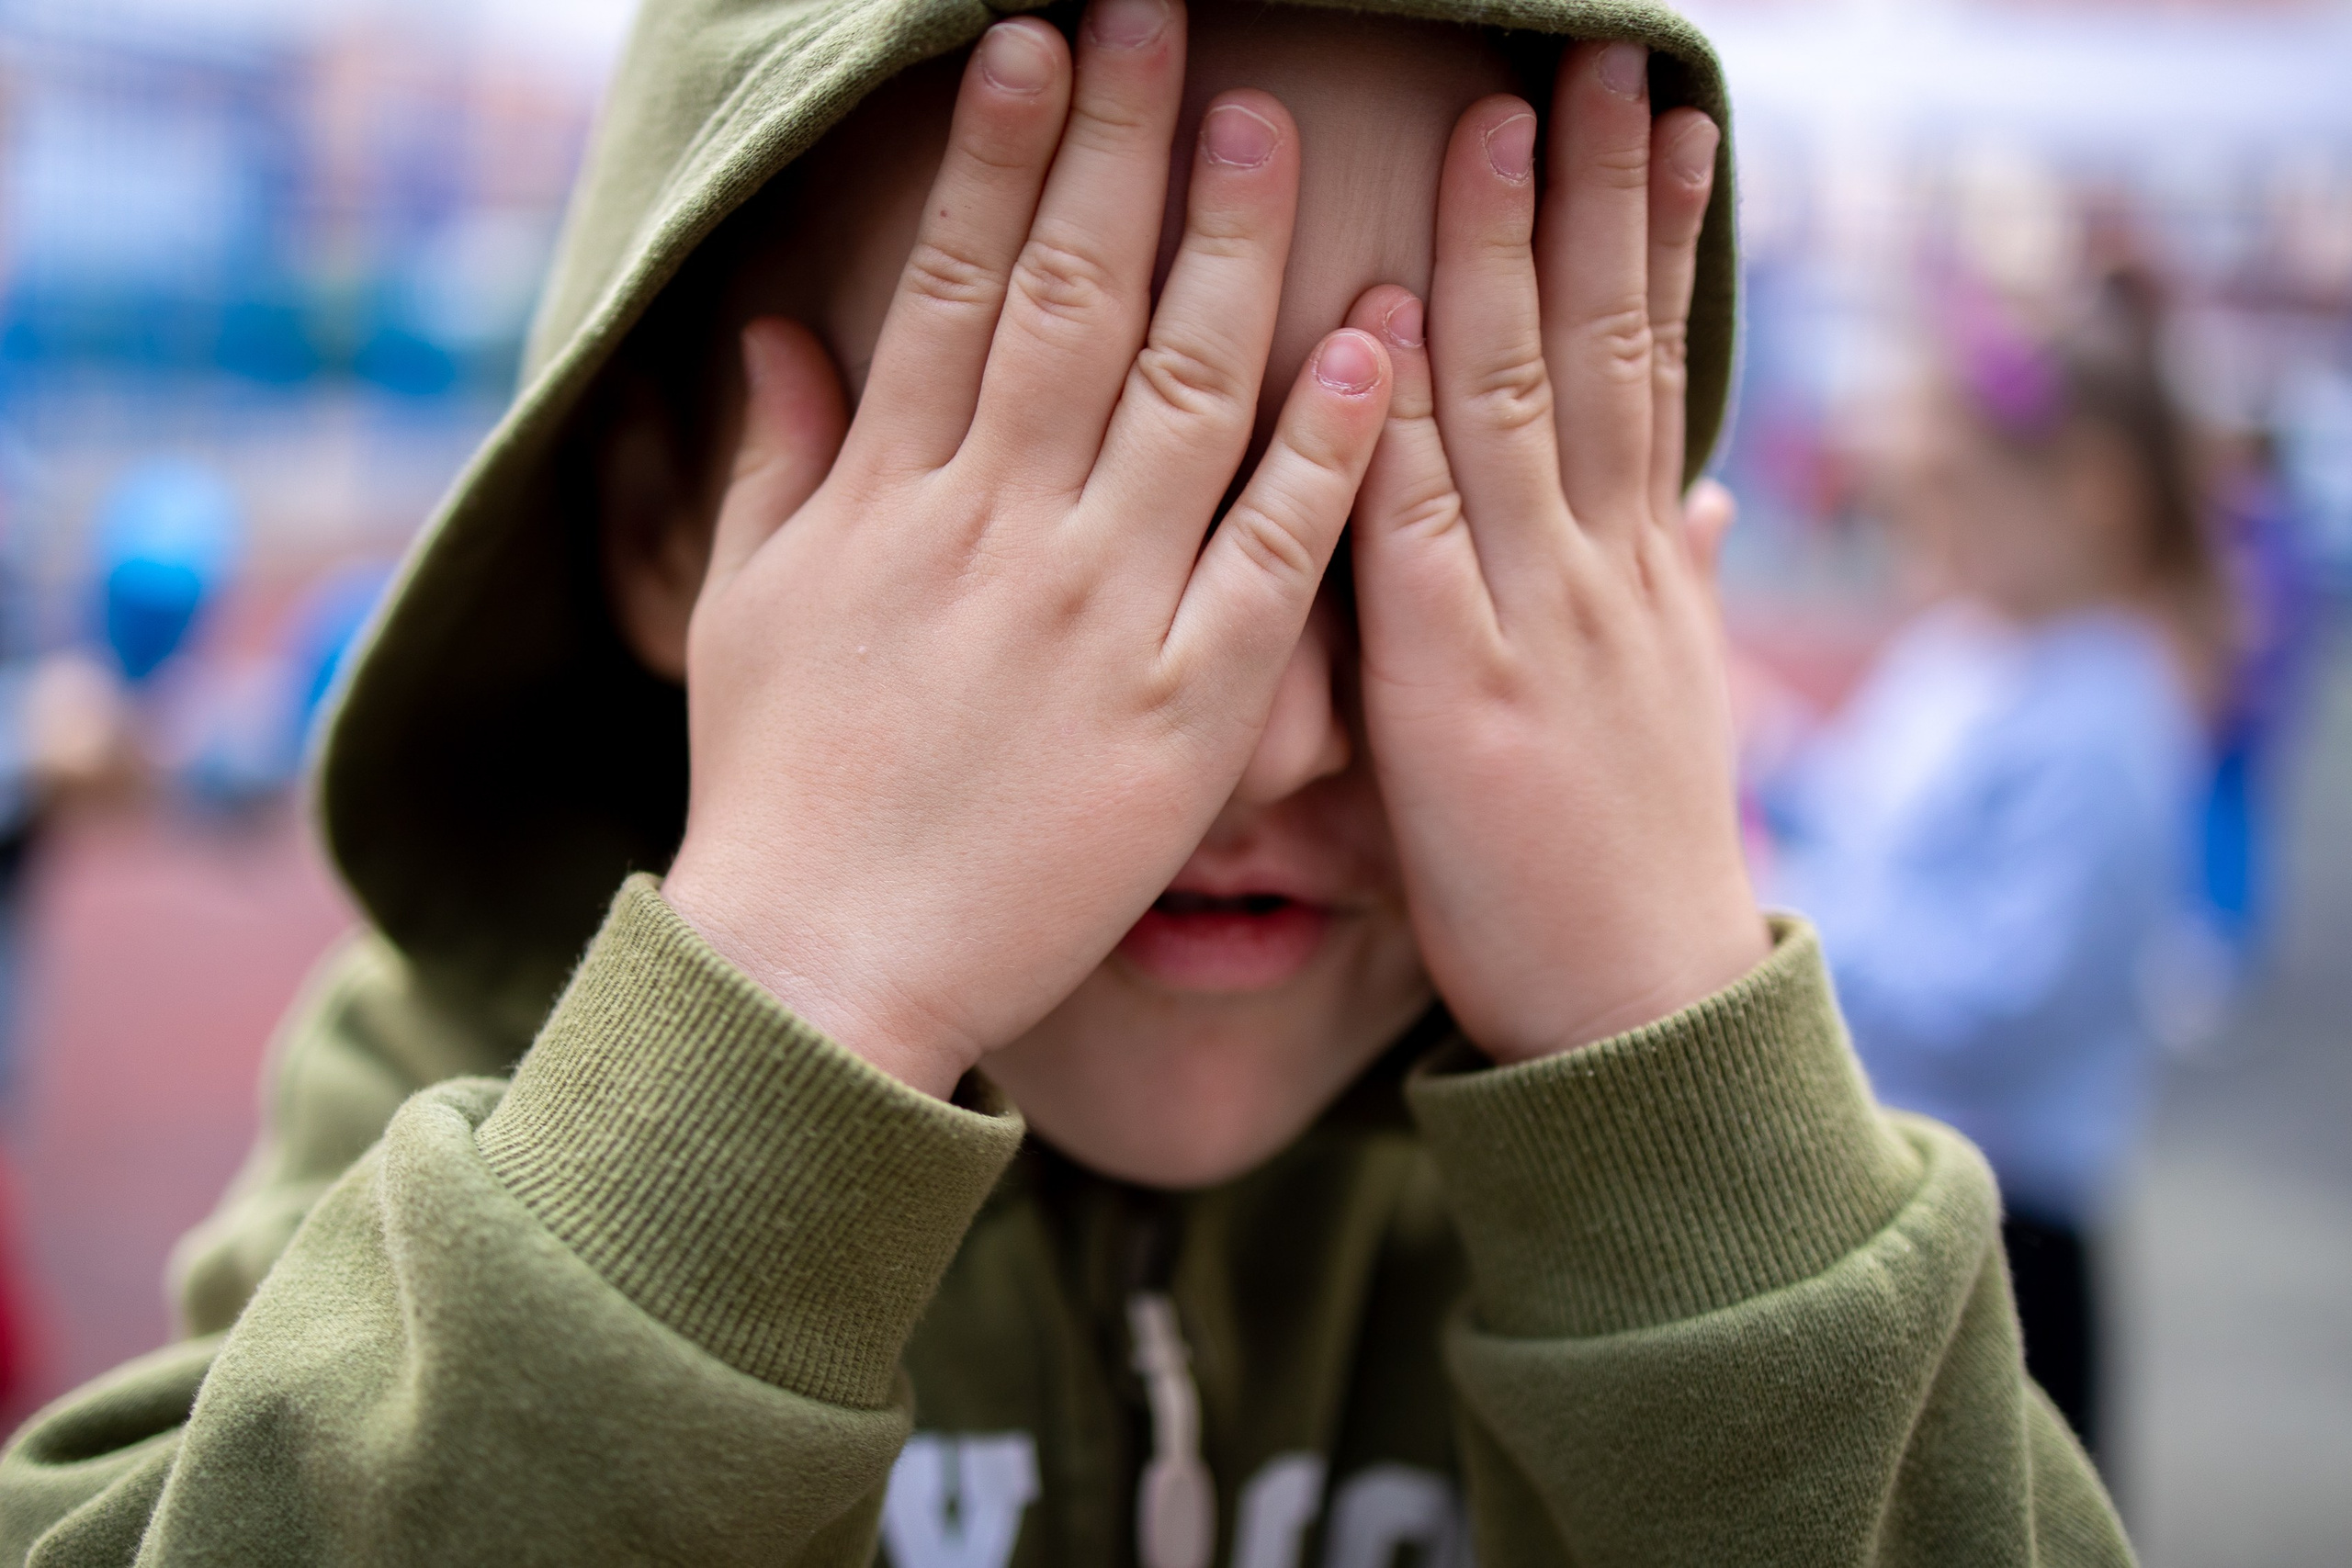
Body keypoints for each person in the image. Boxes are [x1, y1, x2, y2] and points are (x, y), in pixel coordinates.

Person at [0, 2, 2127, 1562]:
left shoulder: (1743, 1190)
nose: (1266, 735)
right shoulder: (481, 1084)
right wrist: (774, 1033)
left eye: (1425, 534)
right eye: (1079, 520)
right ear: (664, 524)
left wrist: (1665, 1086)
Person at [1759, 275, 2222, 1461]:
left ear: (2093, 494)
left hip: (2009, 1228)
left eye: (1954, 488)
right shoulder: (1964, 649)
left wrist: (1782, 909)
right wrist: (1760, 755)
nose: (1925, 523)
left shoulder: (2105, 717)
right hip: (1913, 1184)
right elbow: (1869, 825)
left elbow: (2001, 1002)